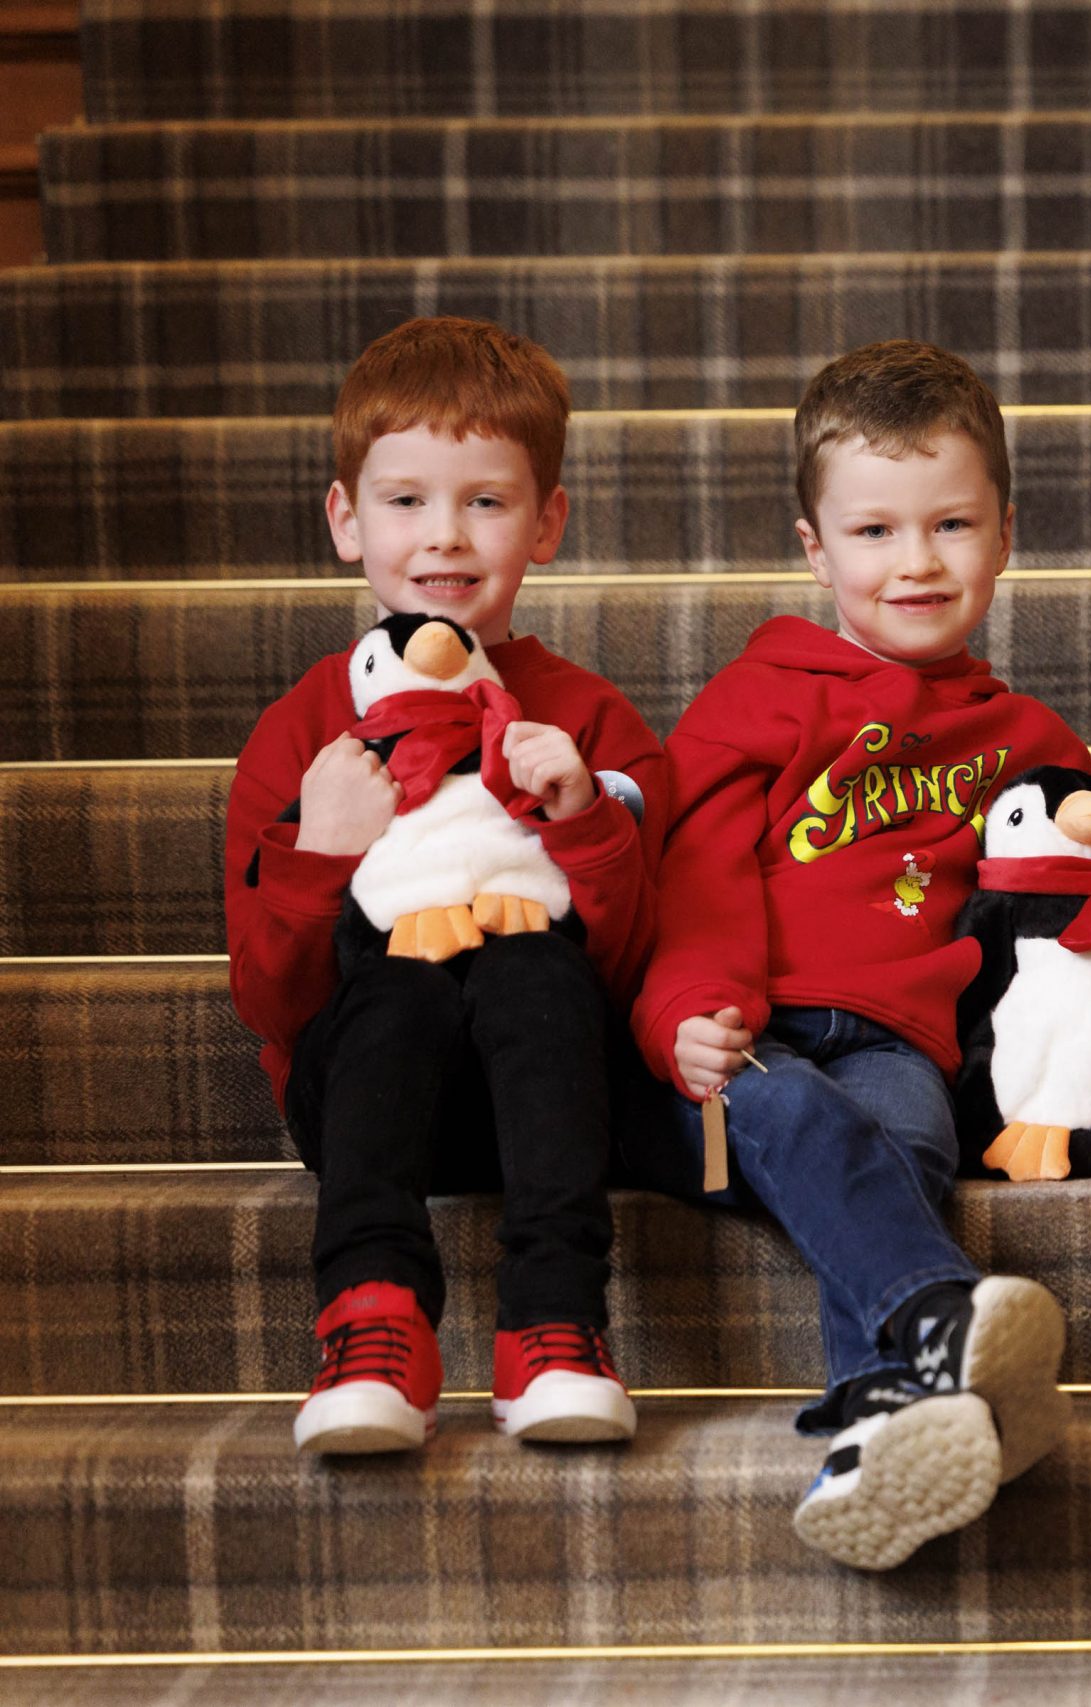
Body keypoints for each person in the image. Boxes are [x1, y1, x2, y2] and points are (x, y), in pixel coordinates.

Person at [627, 340, 1091, 1571]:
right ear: (815, 548)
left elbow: (1078, 855)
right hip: (738, 1041)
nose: (916, 562)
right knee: (799, 1116)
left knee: (903, 1146)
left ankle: (879, 1426)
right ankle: (946, 1320)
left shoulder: (1024, 735)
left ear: (1005, 534)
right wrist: (688, 1009)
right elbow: (693, 876)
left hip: (902, 1040)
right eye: (875, 531)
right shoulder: (759, 700)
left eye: (951, 524)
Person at [225, 316, 665, 1455]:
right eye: (406, 499)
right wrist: (321, 851)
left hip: (555, 1094)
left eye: (486, 501)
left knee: (534, 969)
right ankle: (371, 1323)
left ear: (547, 522)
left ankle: (555, 1327)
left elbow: (632, 970)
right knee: (402, 985)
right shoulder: (303, 729)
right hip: (367, 1100)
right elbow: (270, 1004)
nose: (445, 535)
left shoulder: (594, 722)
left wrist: (584, 825)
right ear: (346, 520)